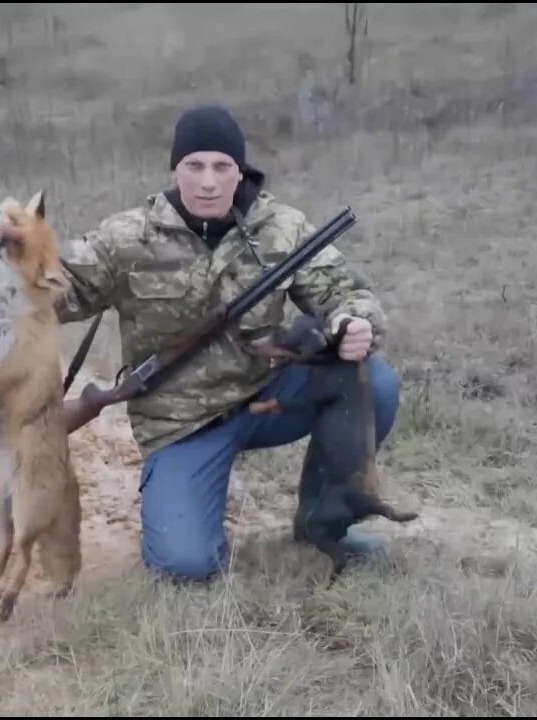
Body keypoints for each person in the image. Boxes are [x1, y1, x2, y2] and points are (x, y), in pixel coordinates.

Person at [51, 104, 400, 581]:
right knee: (185, 565)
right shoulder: (127, 237)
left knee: (374, 382)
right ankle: (185, 506)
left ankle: (324, 523)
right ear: (176, 169)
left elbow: (348, 292)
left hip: (268, 400)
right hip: (182, 423)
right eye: (195, 166)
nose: (208, 182)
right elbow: (60, 292)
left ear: (240, 171)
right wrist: (18, 261)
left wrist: (354, 322)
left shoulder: (281, 227)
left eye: (222, 167)